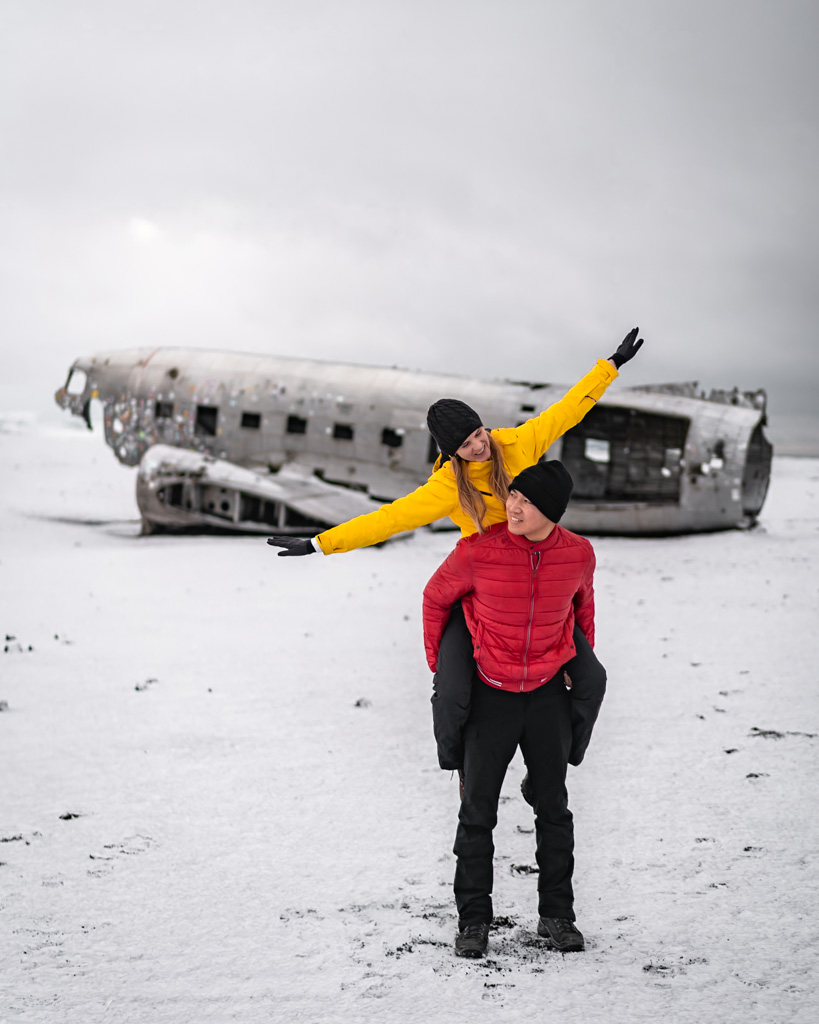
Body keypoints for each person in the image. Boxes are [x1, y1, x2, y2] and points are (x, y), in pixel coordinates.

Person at [267, 328, 643, 769]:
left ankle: (568, 754)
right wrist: (319, 543)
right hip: (485, 583)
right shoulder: (448, 486)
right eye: (467, 445)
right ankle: (456, 762)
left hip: (540, 569)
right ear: (452, 452)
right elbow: (389, 519)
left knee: (591, 678)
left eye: (479, 433)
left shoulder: (518, 443)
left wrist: (610, 366)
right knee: (452, 691)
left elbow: (568, 411)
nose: (480, 445)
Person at [422, 460, 595, 958]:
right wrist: (442, 664)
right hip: (489, 694)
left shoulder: (579, 554)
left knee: (554, 812)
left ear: (553, 513)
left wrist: (572, 668)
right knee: (477, 816)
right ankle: (474, 922)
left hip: (545, 694)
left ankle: (557, 916)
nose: (513, 506)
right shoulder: (480, 551)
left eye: (526, 501)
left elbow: (583, 613)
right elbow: (435, 599)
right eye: (513, 496)